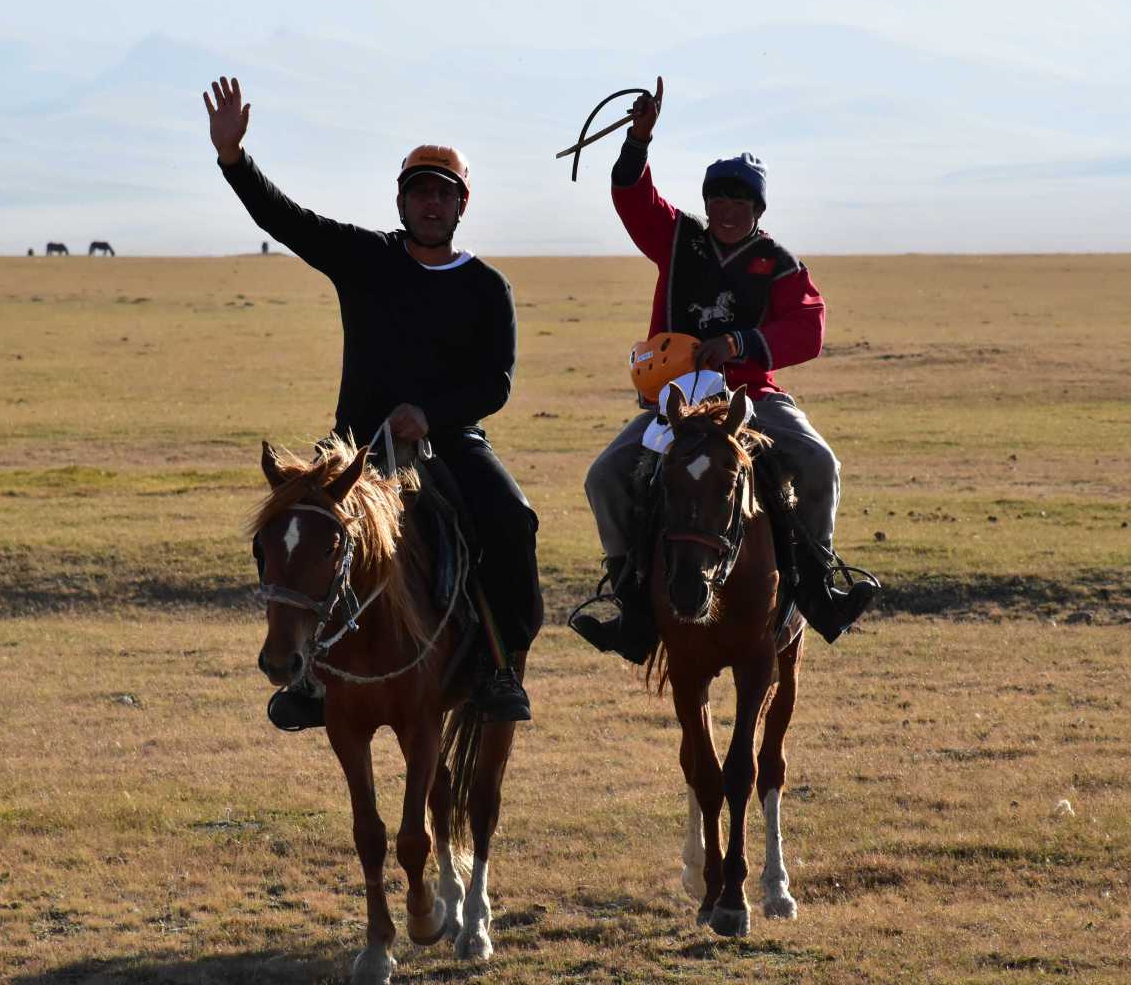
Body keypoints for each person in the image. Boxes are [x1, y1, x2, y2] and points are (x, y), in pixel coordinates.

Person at [203, 75, 537, 730]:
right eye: (420, 193)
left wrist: (430, 414)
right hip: (354, 451)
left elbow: (495, 383)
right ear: (402, 200)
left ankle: (500, 668)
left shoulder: (485, 287)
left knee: (512, 518)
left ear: (461, 205)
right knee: (290, 524)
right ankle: (307, 674)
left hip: (449, 442)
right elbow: (286, 219)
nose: (431, 205)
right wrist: (233, 161)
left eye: (444, 194)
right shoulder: (366, 258)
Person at [570, 77, 878, 661]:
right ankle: (632, 603)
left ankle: (817, 586)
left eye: (742, 203)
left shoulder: (777, 263)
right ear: (706, 203)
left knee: (818, 462)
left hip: (752, 399)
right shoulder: (678, 239)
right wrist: (638, 141)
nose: (728, 211)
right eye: (719, 200)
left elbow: (809, 328)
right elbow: (635, 201)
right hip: (679, 401)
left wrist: (740, 343)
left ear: (758, 209)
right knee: (605, 476)